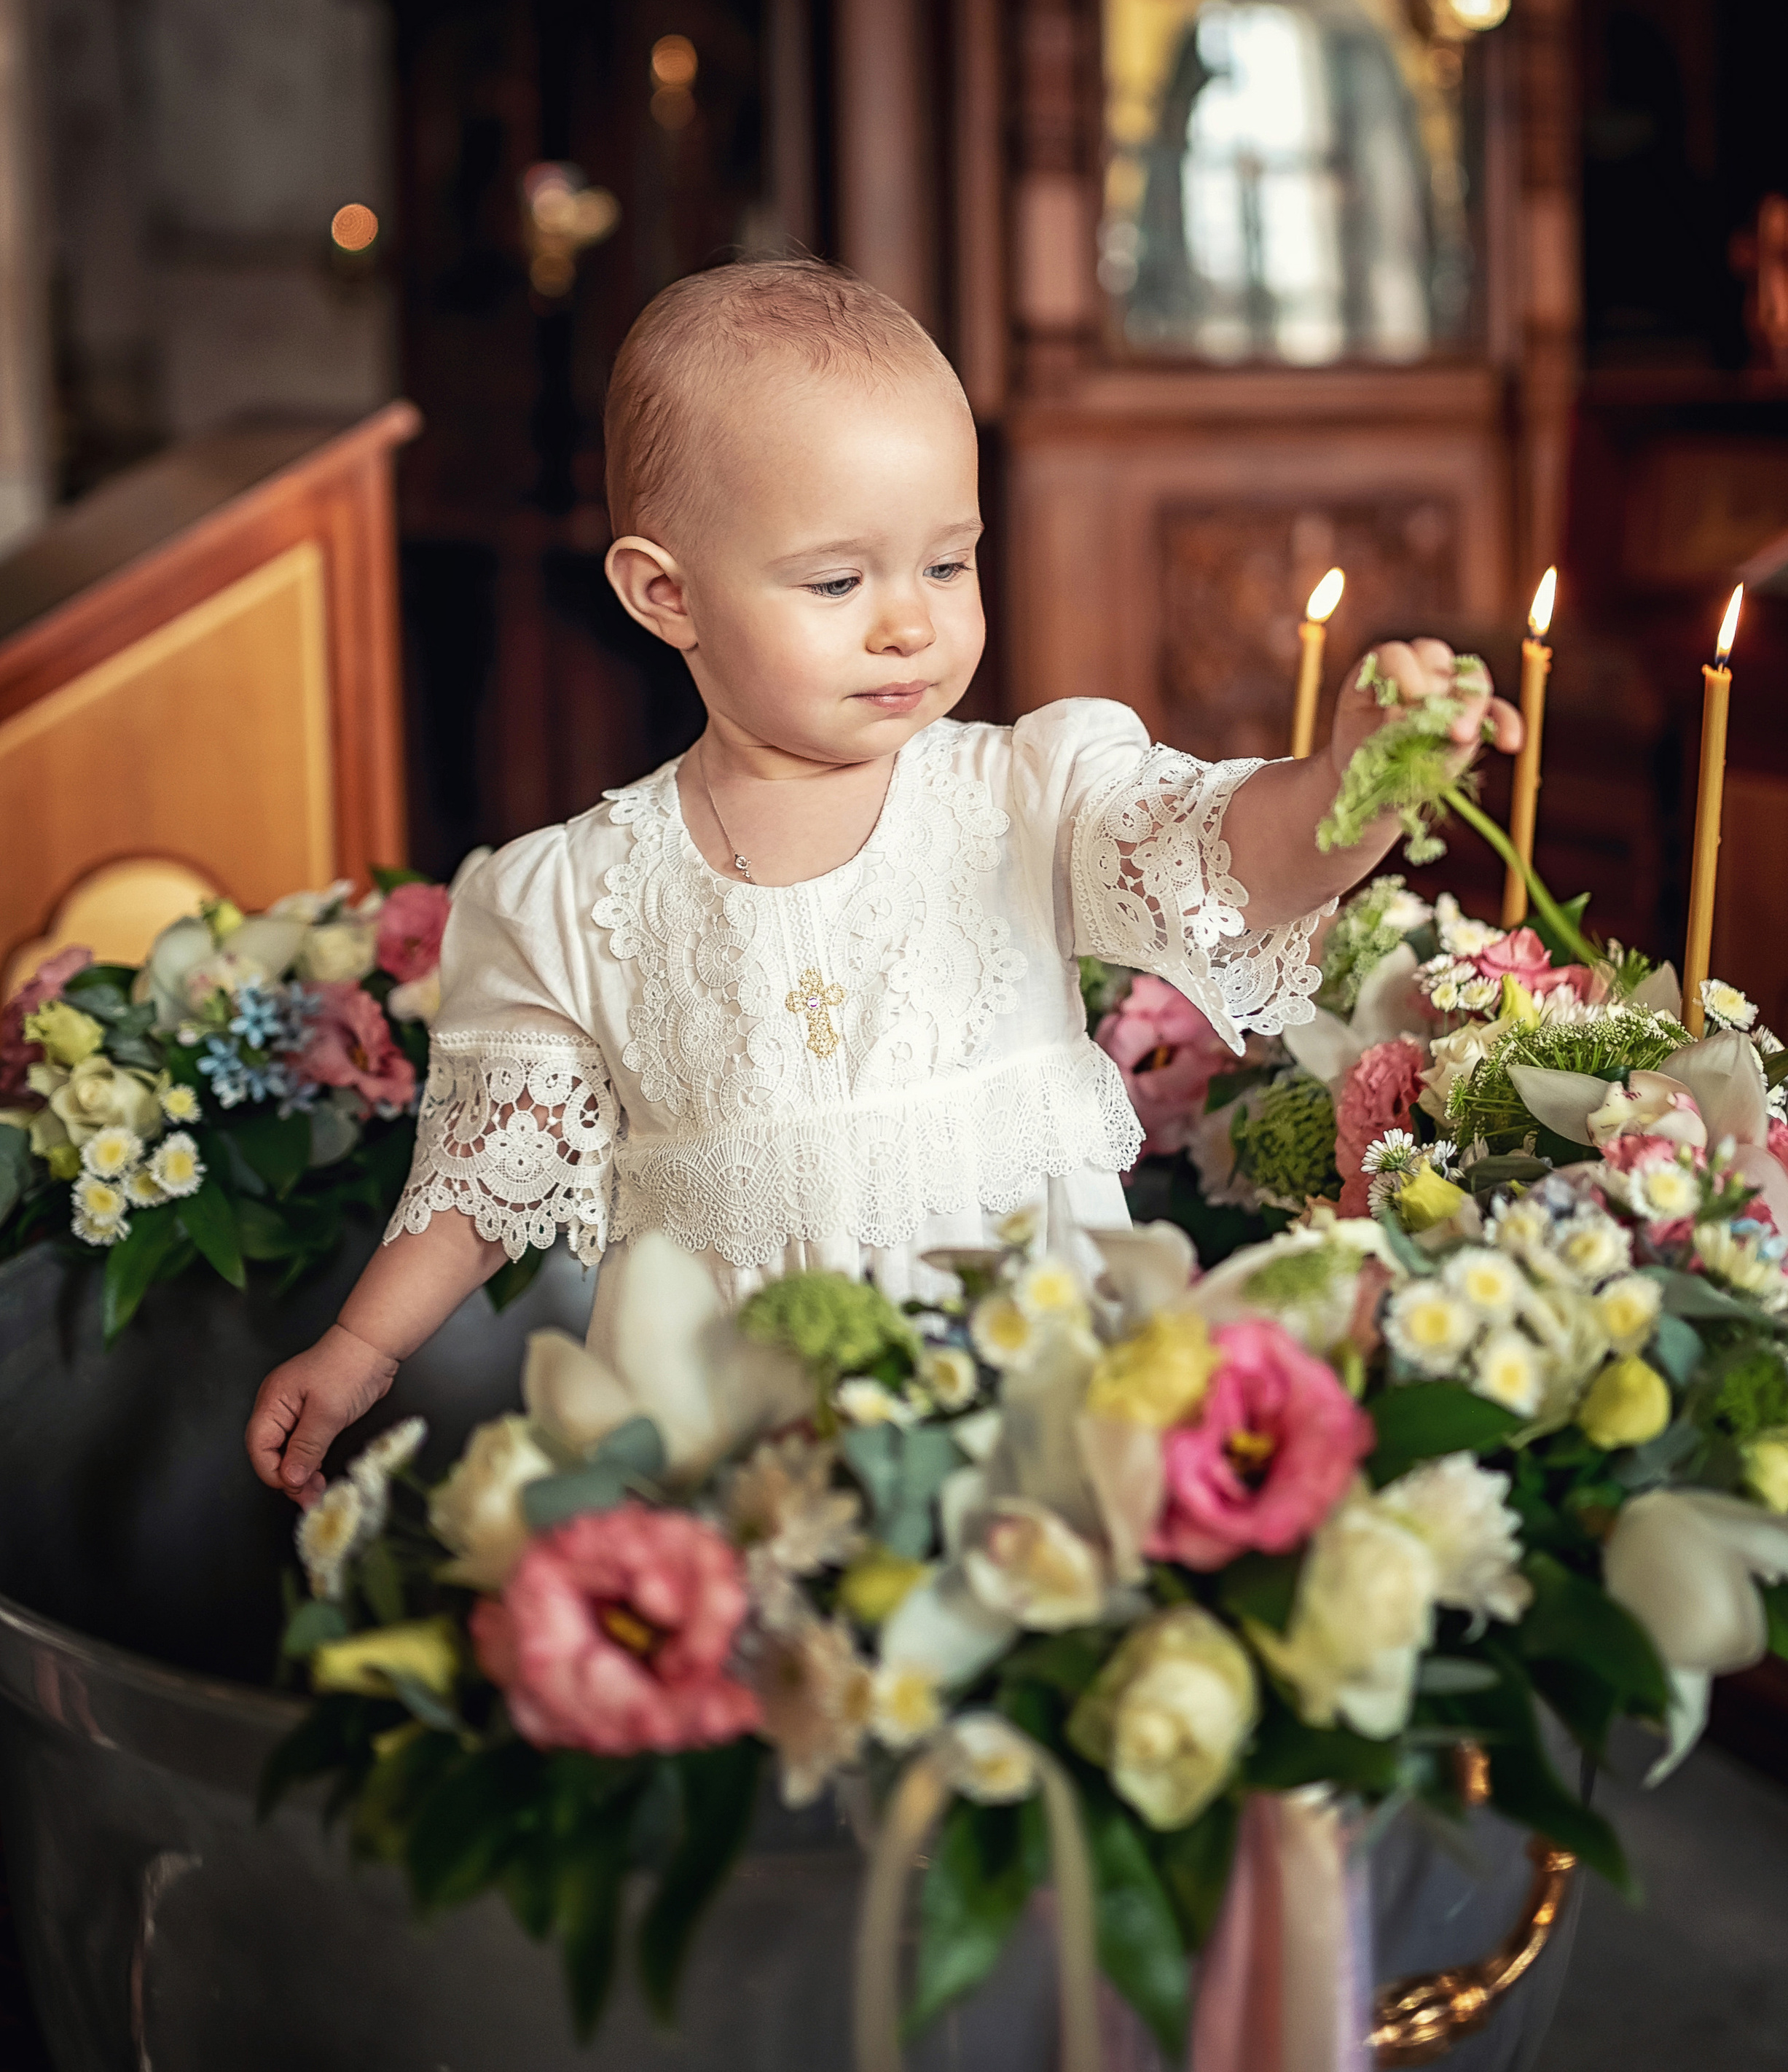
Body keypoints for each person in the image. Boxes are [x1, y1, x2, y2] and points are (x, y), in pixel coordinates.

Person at [246, 257, 1518, 1504]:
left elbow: (1237, 861)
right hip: (741, 1440)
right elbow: (489, 1171)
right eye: (839, 580)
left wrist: (1360, 782)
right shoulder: (575, 896)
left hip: (1026, 1396)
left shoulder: (1027, 795)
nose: (909, 622)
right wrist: (362, 1350)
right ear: (666, 594)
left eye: (948, 564)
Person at [1125, 0, 1434, 365]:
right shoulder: (1208, 21)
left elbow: (1400, 188)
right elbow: (1169, 174)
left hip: (1360, 318)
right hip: (1224, 312)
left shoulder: (1366, 31)